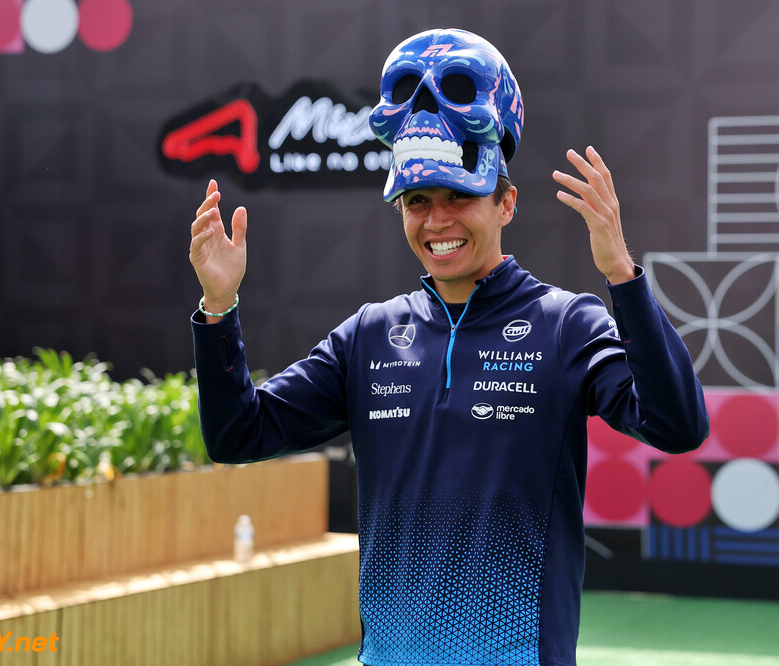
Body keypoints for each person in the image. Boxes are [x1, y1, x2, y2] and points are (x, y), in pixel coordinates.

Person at [188, 28, 708, 666]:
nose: (437, 220)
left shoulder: (567, 323)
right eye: (416, 201)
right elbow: (237, 435)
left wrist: (623, 276)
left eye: (459, 196)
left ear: (506, 202)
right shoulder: (369, 336)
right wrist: (218, 309)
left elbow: (678, 425)